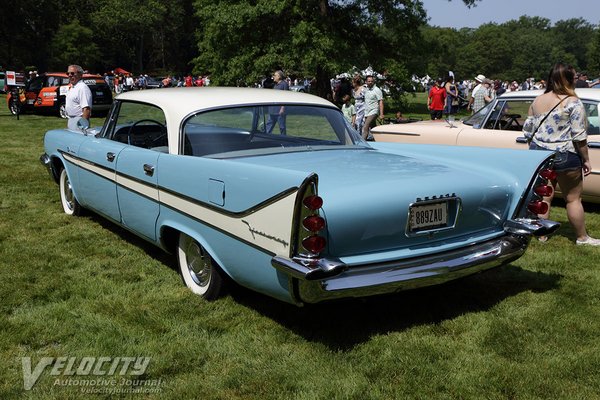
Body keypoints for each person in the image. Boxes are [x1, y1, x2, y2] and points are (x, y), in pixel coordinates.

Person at [523, 62, 599, 246]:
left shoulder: (537, 100)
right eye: (573, 77)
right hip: (566, 154)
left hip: (540, 155)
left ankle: (541, 235)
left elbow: (527, 131)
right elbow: (579, 136)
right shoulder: (573, 102)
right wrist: (586, 159)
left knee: (544, 197)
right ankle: (582, 237)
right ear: (567, 79)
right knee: (573, 199)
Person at [65, 64, 92, 132]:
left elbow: (86, 109)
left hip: (79, 120)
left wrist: (82, 127)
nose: (70, 75)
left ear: (80, 75)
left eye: (72, 73)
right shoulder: (73, 87)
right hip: (71, 119)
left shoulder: (82, 88)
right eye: (68, 73)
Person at [266, 70, 289, 134]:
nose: (273, 77)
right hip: (272, 110)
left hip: (279, 111)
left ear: (279, 76)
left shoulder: (284, 84)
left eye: (275, 75)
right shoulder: (275, 85)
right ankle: (265, 140)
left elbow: (286, 98)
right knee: (268, 127)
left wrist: (282, 108)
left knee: (282, 128)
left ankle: (284, 141)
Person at [362, 75, 384, 140]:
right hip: (367, 111)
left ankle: (363, 142)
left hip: (374, 111)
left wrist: (381, 114)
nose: (370, 82)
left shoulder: (377, 90)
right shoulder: (366, 89)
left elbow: (381, 102)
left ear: (373, 81)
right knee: (373, 128)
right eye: (369, 81)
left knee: (365, 126)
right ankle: (378, 140)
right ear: (366, 82)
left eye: (371, 81)